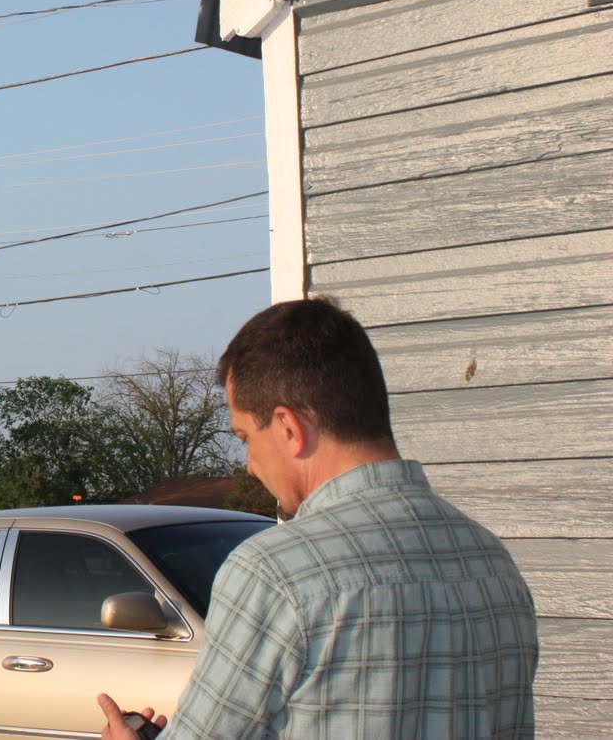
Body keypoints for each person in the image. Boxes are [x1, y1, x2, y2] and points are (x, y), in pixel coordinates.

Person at [99, 297, 538, 739]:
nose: (250, 465)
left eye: (245, 436)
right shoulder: (492, 561)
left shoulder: (274, 572)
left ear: (289, 428)